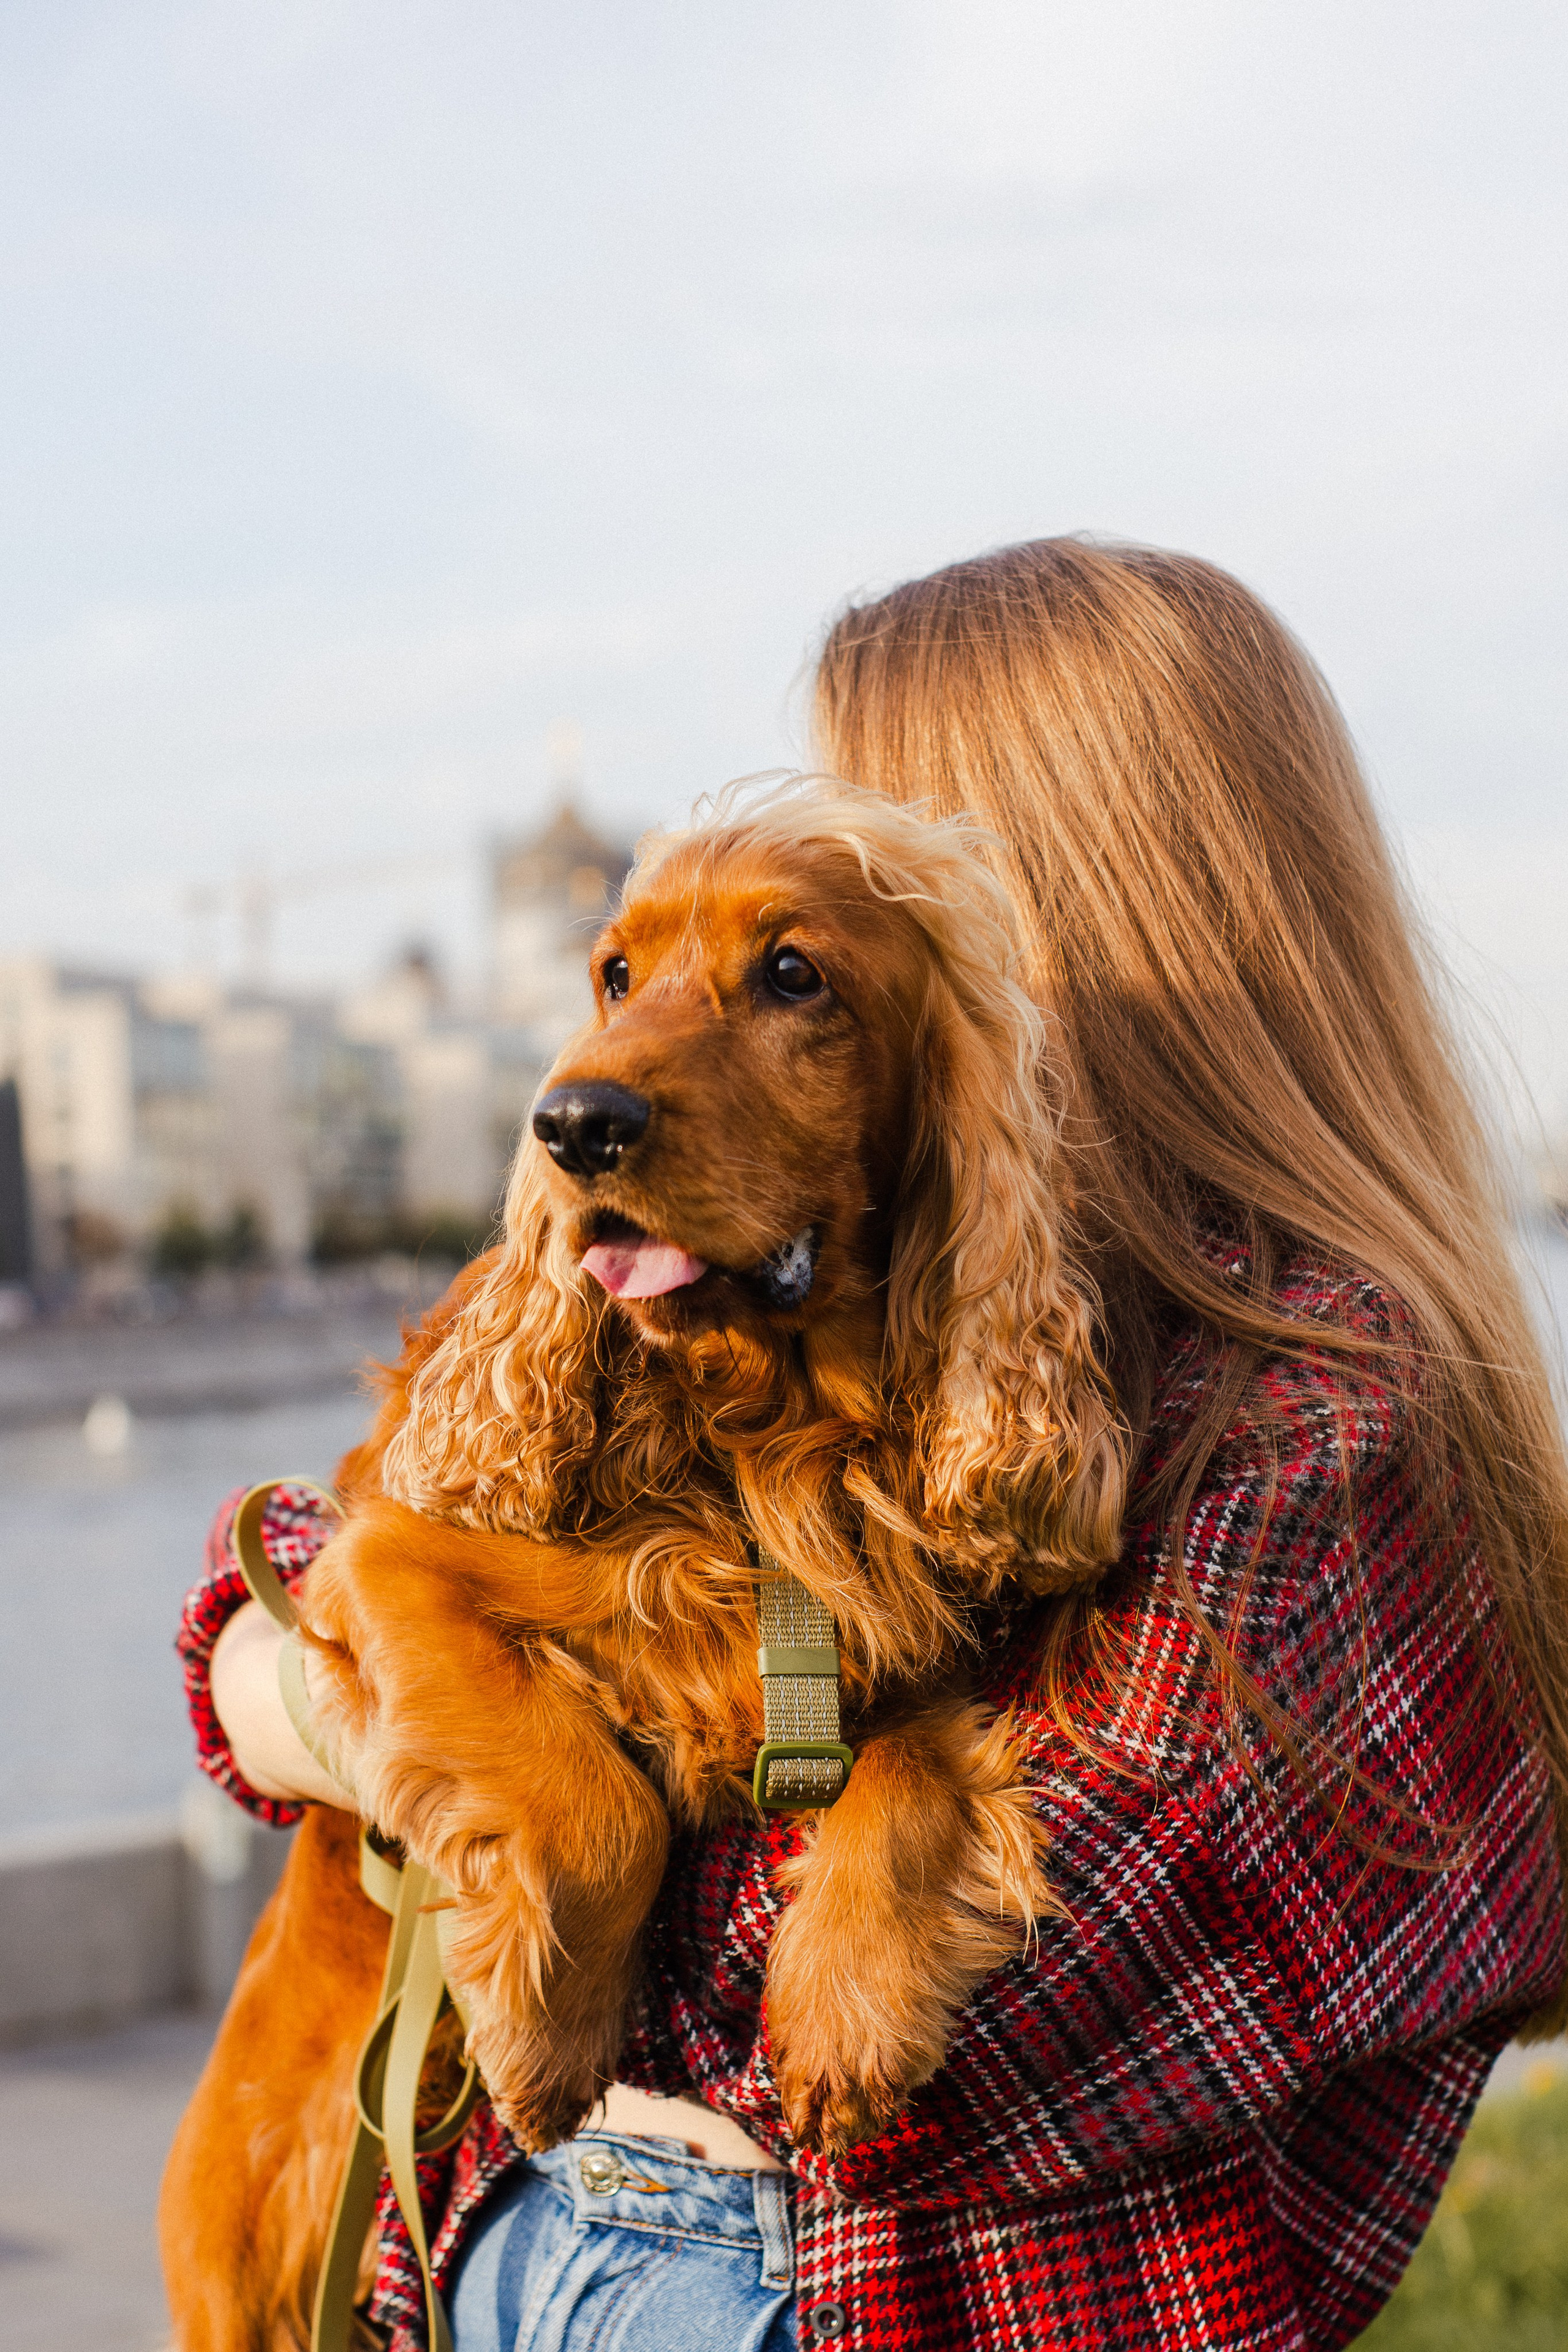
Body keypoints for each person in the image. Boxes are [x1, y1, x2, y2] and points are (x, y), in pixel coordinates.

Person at [180, 537, 1568, 2352]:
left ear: (1035, 903)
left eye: (824, 917)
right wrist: (285, 1673)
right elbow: (324, 1580)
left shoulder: (1316, 1420)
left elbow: (852, 2035)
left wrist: (352, 1727)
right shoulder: (771, 1325)